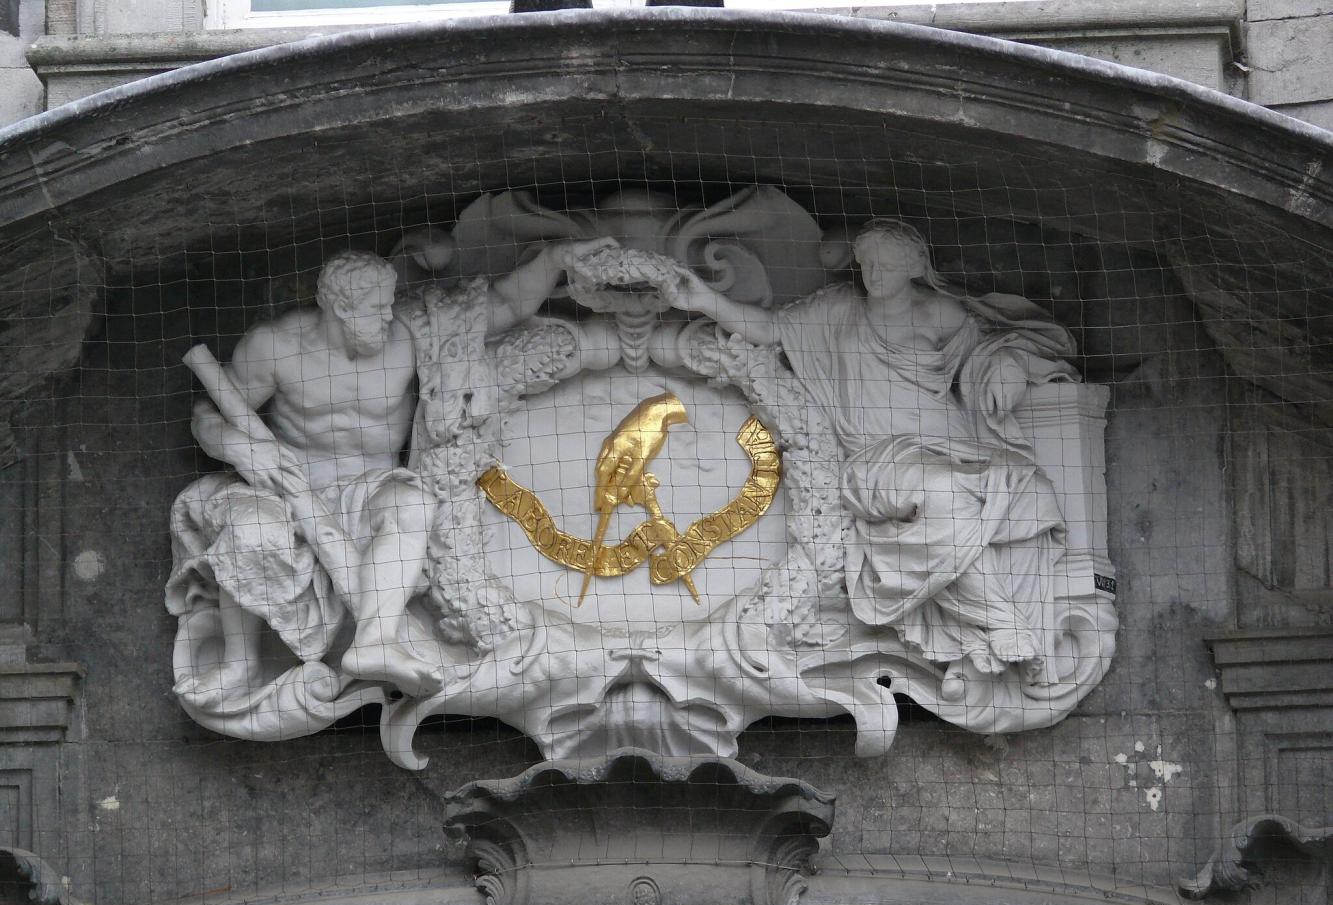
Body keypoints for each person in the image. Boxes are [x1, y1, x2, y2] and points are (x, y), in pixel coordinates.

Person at [168, 240, 614, 712]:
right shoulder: (275, 346)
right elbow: (209, 416)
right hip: (283, 485)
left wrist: (554, 260)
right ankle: (241, 662)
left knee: (413, 503)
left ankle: (376, 639)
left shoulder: (411, 333)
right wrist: (238, 447)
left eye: (388, 304)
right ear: (339, 308)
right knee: (249, 530)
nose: (387, 317)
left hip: (371, 486)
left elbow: (503, 305)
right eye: (375, 309)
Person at [655, 219, 1077, 696]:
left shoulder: (940, 313)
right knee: (944, 498)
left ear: (915, 266)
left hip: (950, 444)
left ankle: (1015, 626)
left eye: (888, 264)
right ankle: (1003, 623)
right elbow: (770, 330)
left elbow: (1000, 344)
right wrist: (704, 300)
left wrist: (1007, 364)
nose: (874, 273)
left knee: (1017, 490)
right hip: (877, 459)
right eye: (867, 263)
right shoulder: (838, 310)